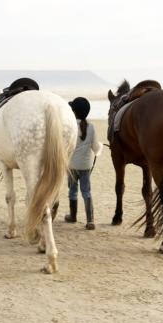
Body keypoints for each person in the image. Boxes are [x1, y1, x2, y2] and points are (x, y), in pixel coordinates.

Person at [64, 97, 102, 230]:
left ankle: (73, 216)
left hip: (71, 166)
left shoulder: (69, 126)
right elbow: (96, 148)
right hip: (86, 166)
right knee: (86, 191)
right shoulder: (91, 127)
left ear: (73, 112)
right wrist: (101, 147)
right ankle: (90, 220)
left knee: (72, 190)